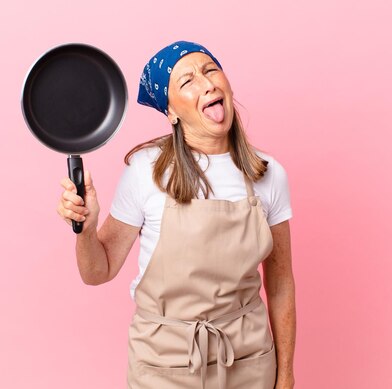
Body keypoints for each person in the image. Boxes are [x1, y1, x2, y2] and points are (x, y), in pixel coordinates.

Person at [57, 41, 296, 389]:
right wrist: (86, 230)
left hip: (248, 360)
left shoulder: (268, 173)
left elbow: (281, 284)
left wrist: (285, 374)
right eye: (187, 81)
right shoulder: (147, 171)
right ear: (171, 111)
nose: (207, 83)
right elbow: (98, 271)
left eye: (210, 70)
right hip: (164, 363)